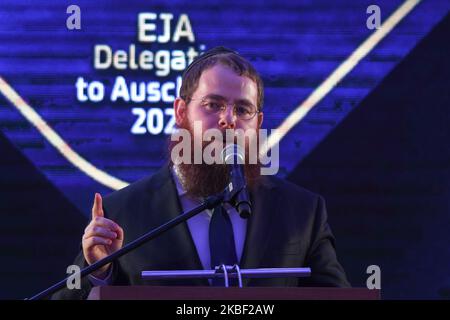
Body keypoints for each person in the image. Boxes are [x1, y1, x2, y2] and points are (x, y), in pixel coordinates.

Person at [52, 47, 350, 299]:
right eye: (213, 105)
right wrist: (101, 274)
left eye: (243, 110)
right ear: (181, 112)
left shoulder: (303, 212)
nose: (228, 120)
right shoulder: (122, 211)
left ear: (257, 124)